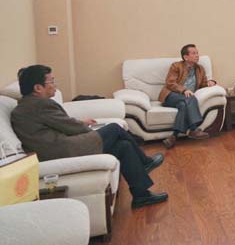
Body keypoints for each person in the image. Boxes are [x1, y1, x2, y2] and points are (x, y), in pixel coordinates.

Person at [11, 65, 168, 209]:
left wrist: (82, 124)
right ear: (38, 88)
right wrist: (86, 128)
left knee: (123, 146)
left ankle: (141, 195)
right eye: (51, 81)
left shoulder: (25, 105)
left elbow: (59, 123)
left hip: (53, 149)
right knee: (115, 128)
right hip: (63, 149)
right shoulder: (40, 104)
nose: (55, 85)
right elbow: (70, 126)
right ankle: (145, 163)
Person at [159, 44, 218, 148]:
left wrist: (210, 82)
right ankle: (194, 128)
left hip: (185, 100)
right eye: (194, 53)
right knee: (191, 98)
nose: (197, 55)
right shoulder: (176, 66)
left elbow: (202, 84)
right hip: (171, 95)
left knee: (183, 106)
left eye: (197, 53)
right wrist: (184, 90)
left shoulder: (200, 69)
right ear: (185, 57)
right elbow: (170, 83)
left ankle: (173, 137)